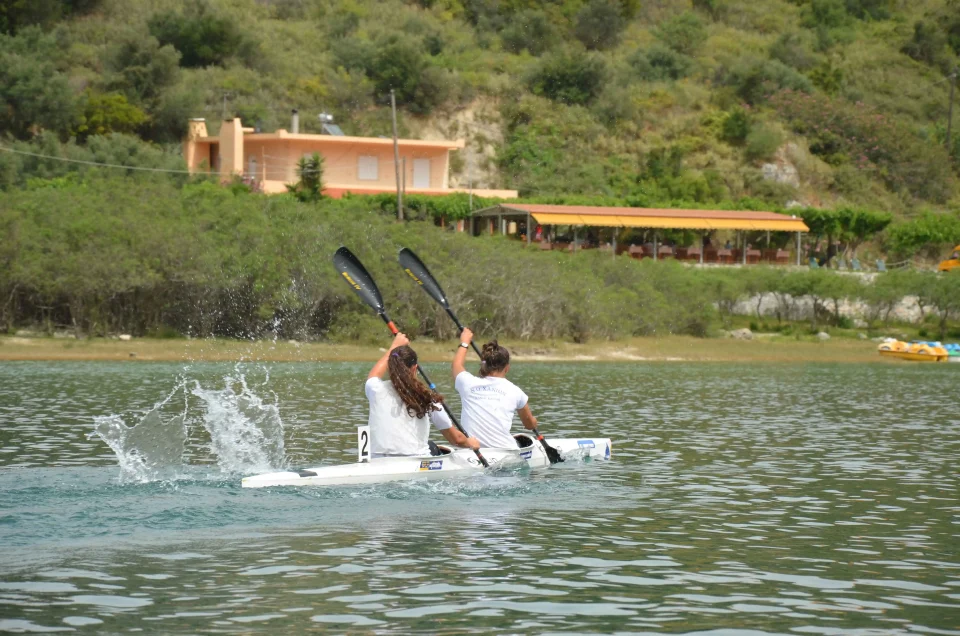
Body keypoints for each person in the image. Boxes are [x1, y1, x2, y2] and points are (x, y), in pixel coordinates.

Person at [366, 333, 479, 457]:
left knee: (431, 445)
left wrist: (394, 345)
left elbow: (374, 374)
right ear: (415, 368)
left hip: (377, 461)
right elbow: (457, 439)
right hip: (417, 462)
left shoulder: (375, 389)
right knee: (433, 447)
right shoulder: (427, 397)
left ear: (389, 367)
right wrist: (470, 443)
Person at [451, 328, 538, 449]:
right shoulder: (516, 392)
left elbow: (456, 365)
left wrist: (465, 342)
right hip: (505, 452)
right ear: (507, 368)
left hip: (472, 450)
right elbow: (529, 425)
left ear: (484, 365)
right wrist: (534, 421)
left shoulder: (467, 383)